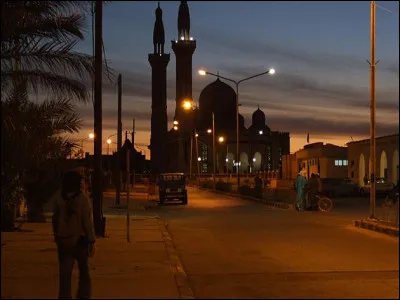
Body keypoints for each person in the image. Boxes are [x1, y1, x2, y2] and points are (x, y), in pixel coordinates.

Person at [52, 171, 96, 299]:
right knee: (84, 274)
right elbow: (87, 222)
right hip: (80, 241)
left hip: (64, 240)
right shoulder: (82, 199)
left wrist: (57, 236)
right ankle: (83, 296)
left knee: (65, 277)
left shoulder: (59, 197)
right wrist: (91, 240)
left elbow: (55, 218)